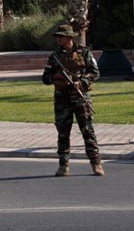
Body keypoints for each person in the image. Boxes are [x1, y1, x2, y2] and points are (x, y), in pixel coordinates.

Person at [42, 24, 103, 177]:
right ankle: (64, 165)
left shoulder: (84, 52)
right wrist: (56, 77)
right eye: (57, 37)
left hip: (80, 97)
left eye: (61, 36)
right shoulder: (55, 57)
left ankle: (96, 163)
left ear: (69, 37)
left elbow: (94, 72)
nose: (58, 39)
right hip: (62, 98)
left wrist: (81, 82)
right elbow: (45, 78)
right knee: (63, 132)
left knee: (88, 130)